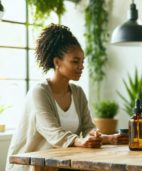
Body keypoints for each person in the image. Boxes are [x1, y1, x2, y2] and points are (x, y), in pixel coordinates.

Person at [6, 24, 118, 171]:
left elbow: (88, 127)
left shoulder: (78, 93)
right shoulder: (39, 92)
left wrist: (105, 138)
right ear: (57, 62)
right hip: (29, 167)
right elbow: (53, 132)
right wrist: (80, 141)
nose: (81, 66)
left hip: (59, 165)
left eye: (82, 61)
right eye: (75, 61)